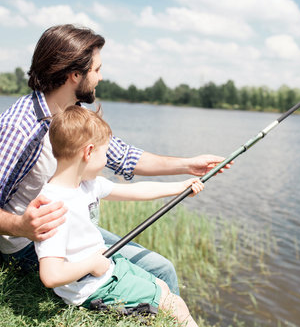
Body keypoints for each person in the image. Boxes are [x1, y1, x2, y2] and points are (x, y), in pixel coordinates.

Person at [0, 24, 228, 296]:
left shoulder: (74, 117)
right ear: (74, 75)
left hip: (73, 230)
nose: (100, 77)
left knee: (161, 268)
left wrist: (188, 165)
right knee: (156, 279)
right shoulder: (17, 127)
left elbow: (123, 157)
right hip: (31, 246)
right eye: (97, 69)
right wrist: (21, 226)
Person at [36, 105, 201, 326]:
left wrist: (181, 186)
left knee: (163, 286)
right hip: (93, 287)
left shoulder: (87, 185)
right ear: (88, 152)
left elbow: (136, 191)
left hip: (109, 268)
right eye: (104, 154)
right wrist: (92, 264)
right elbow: (51, 276)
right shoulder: (54, 206)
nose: (106, 161)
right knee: (175, 306)